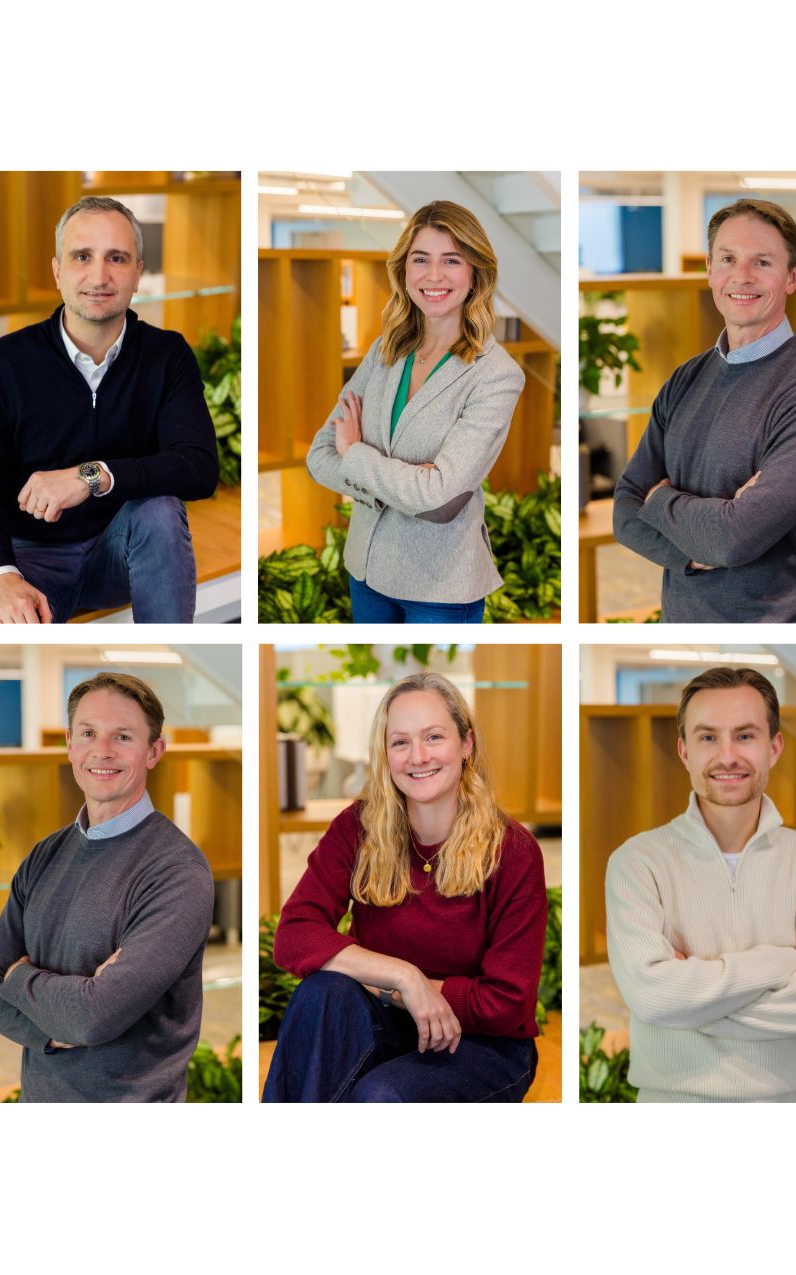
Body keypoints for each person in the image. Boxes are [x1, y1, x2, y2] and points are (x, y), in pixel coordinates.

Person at [265, 672, 546, 1101]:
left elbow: (505, 1003)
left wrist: (399, 989)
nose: (417, 756)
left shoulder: (513, 850)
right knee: (322, 993)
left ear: (466, 744)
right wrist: (405, 979)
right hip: (387, 1024)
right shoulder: (358, 829)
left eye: (434, 737)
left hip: (482, 1044)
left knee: (381, 1096)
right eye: (400, 742)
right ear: (385, 754)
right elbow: (294, 935)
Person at [0, 196, 218, 624]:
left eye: (116, 258)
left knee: (160, 511)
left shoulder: (166, 354)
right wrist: (1, 579)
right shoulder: (3, 362)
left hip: (123, 551)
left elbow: (198, 467)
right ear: (58, 270)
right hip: (31, 561)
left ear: (138, 274)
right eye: (82, 257)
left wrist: (90, 475)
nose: (99, 276)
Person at [605, 667, 796, 1101]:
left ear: (774, 747)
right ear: (683, 751)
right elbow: (652, 999)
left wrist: (689, 1002)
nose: (727, 756)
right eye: (707, 737)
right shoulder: (636, 863)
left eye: (745, 736)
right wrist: (779, 963)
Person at [0, 673, 214, 1101]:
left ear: (154, 750)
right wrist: (51, 1030)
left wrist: (19, 976)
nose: (102, 751)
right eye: (88, 733)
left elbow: (92, 1018)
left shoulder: (177, 871)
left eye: (123, 737)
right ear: (69, 743)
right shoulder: (44, 855)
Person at [611, 199, 796, 623]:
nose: (742, 276)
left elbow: (732, 540)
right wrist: (689, 552)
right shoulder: (686, 378)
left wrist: (660, 498)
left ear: (793, 276)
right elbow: (625, 511)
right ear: (709, 268)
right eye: (728, 259)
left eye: (762, 262)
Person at [306, 201, 525, 623]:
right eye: (420, 260)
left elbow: (438, 495)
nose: (433, 275)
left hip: (438, 585)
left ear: (475, 272)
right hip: (366, 570)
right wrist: (410, 483)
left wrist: (355, 454)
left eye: (451, 261)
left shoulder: (496, 375)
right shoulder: (385, 353)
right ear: (403, 271)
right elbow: (318, 455)